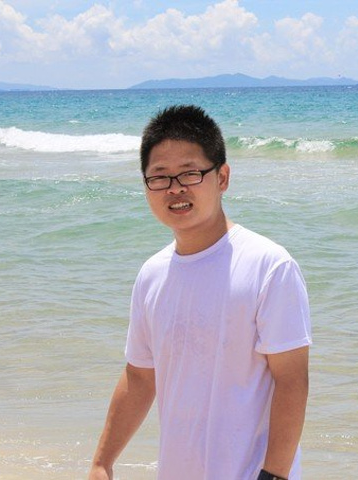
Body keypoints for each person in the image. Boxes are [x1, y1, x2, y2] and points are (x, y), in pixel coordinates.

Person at [89, 105, 312, 480]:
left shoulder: (269, 266)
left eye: (190, 173)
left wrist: (274, 475)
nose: (175, 188)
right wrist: (102, 462)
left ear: (222, 177)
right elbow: (140, 376)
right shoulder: (152, 275)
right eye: (160, 177)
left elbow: (292, 381)